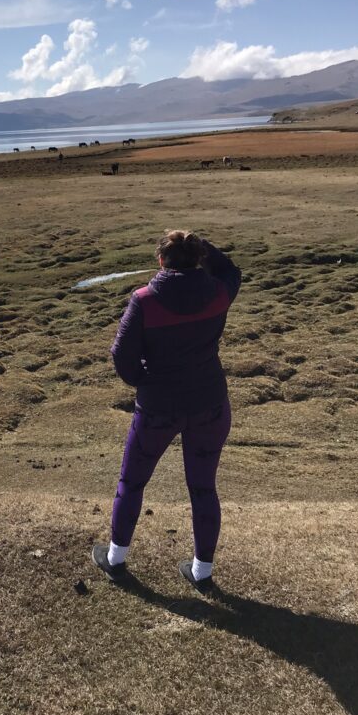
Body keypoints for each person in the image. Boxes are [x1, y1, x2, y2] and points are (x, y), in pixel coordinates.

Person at [92, 230, 241, 594]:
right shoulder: (218, 293)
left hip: (158, 406)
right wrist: (206, 247)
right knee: (203, 487)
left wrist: (145, 380)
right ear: (197, 258)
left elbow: (121, 356)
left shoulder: (144, 300)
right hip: (209, 402)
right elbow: (232, 271)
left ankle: (115, 558)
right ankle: (202, 572)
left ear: (161, 261)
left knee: (132, 481)